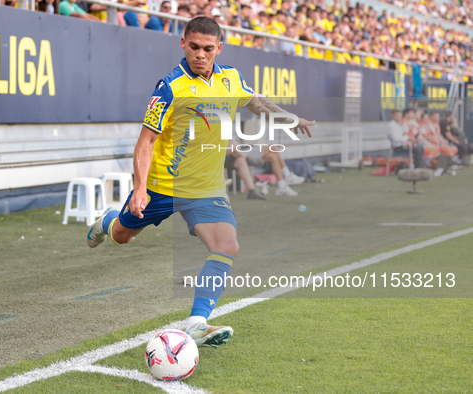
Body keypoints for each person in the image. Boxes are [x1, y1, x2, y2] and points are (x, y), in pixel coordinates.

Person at [86, 17, 315, 347]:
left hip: (207, 190)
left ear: (218, 48)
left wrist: (292, 120)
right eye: (194, 47)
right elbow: (146, 142)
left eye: (208, 49)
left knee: (227, 245)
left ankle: (196, 322)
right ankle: (108, 220)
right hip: (162, 187)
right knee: (122, 236)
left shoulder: (230, 80)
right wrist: (138, 190)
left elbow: (258, 103)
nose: (200, 54)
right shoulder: (170, 87)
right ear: (183, 44)